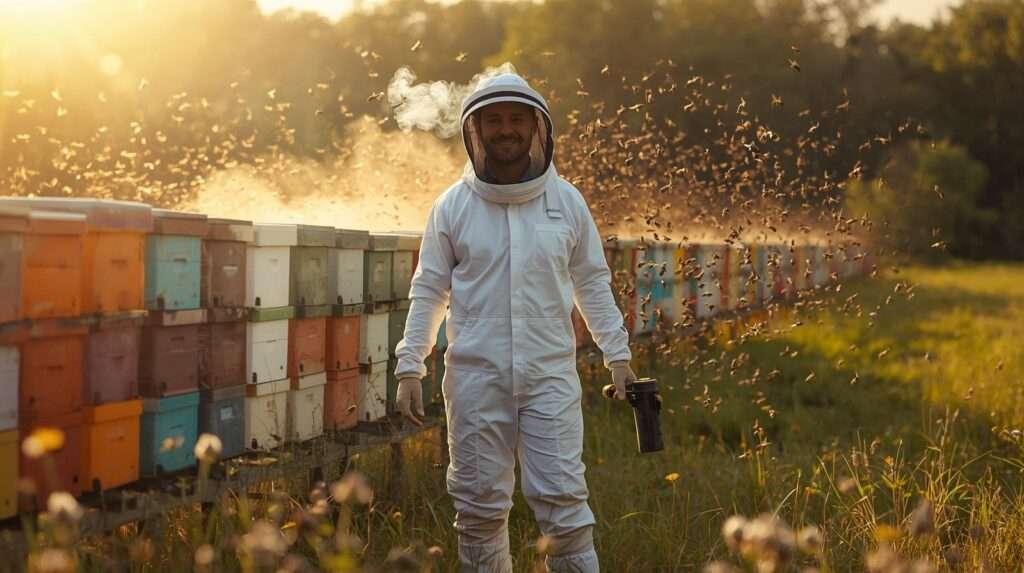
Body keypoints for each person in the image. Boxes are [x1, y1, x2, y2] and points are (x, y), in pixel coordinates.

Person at [392, 72, 637, 573]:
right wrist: (409, 365)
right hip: (476, 380)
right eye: (494, 120)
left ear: (537, 128)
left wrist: (619, 356)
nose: (506, 129)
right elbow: (429, 289)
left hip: (549, 378)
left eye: (516, 119)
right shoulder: (452, 206)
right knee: (479, 509)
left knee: (566, 511)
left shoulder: (566, 201)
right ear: (475, 131)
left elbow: (591, 282)